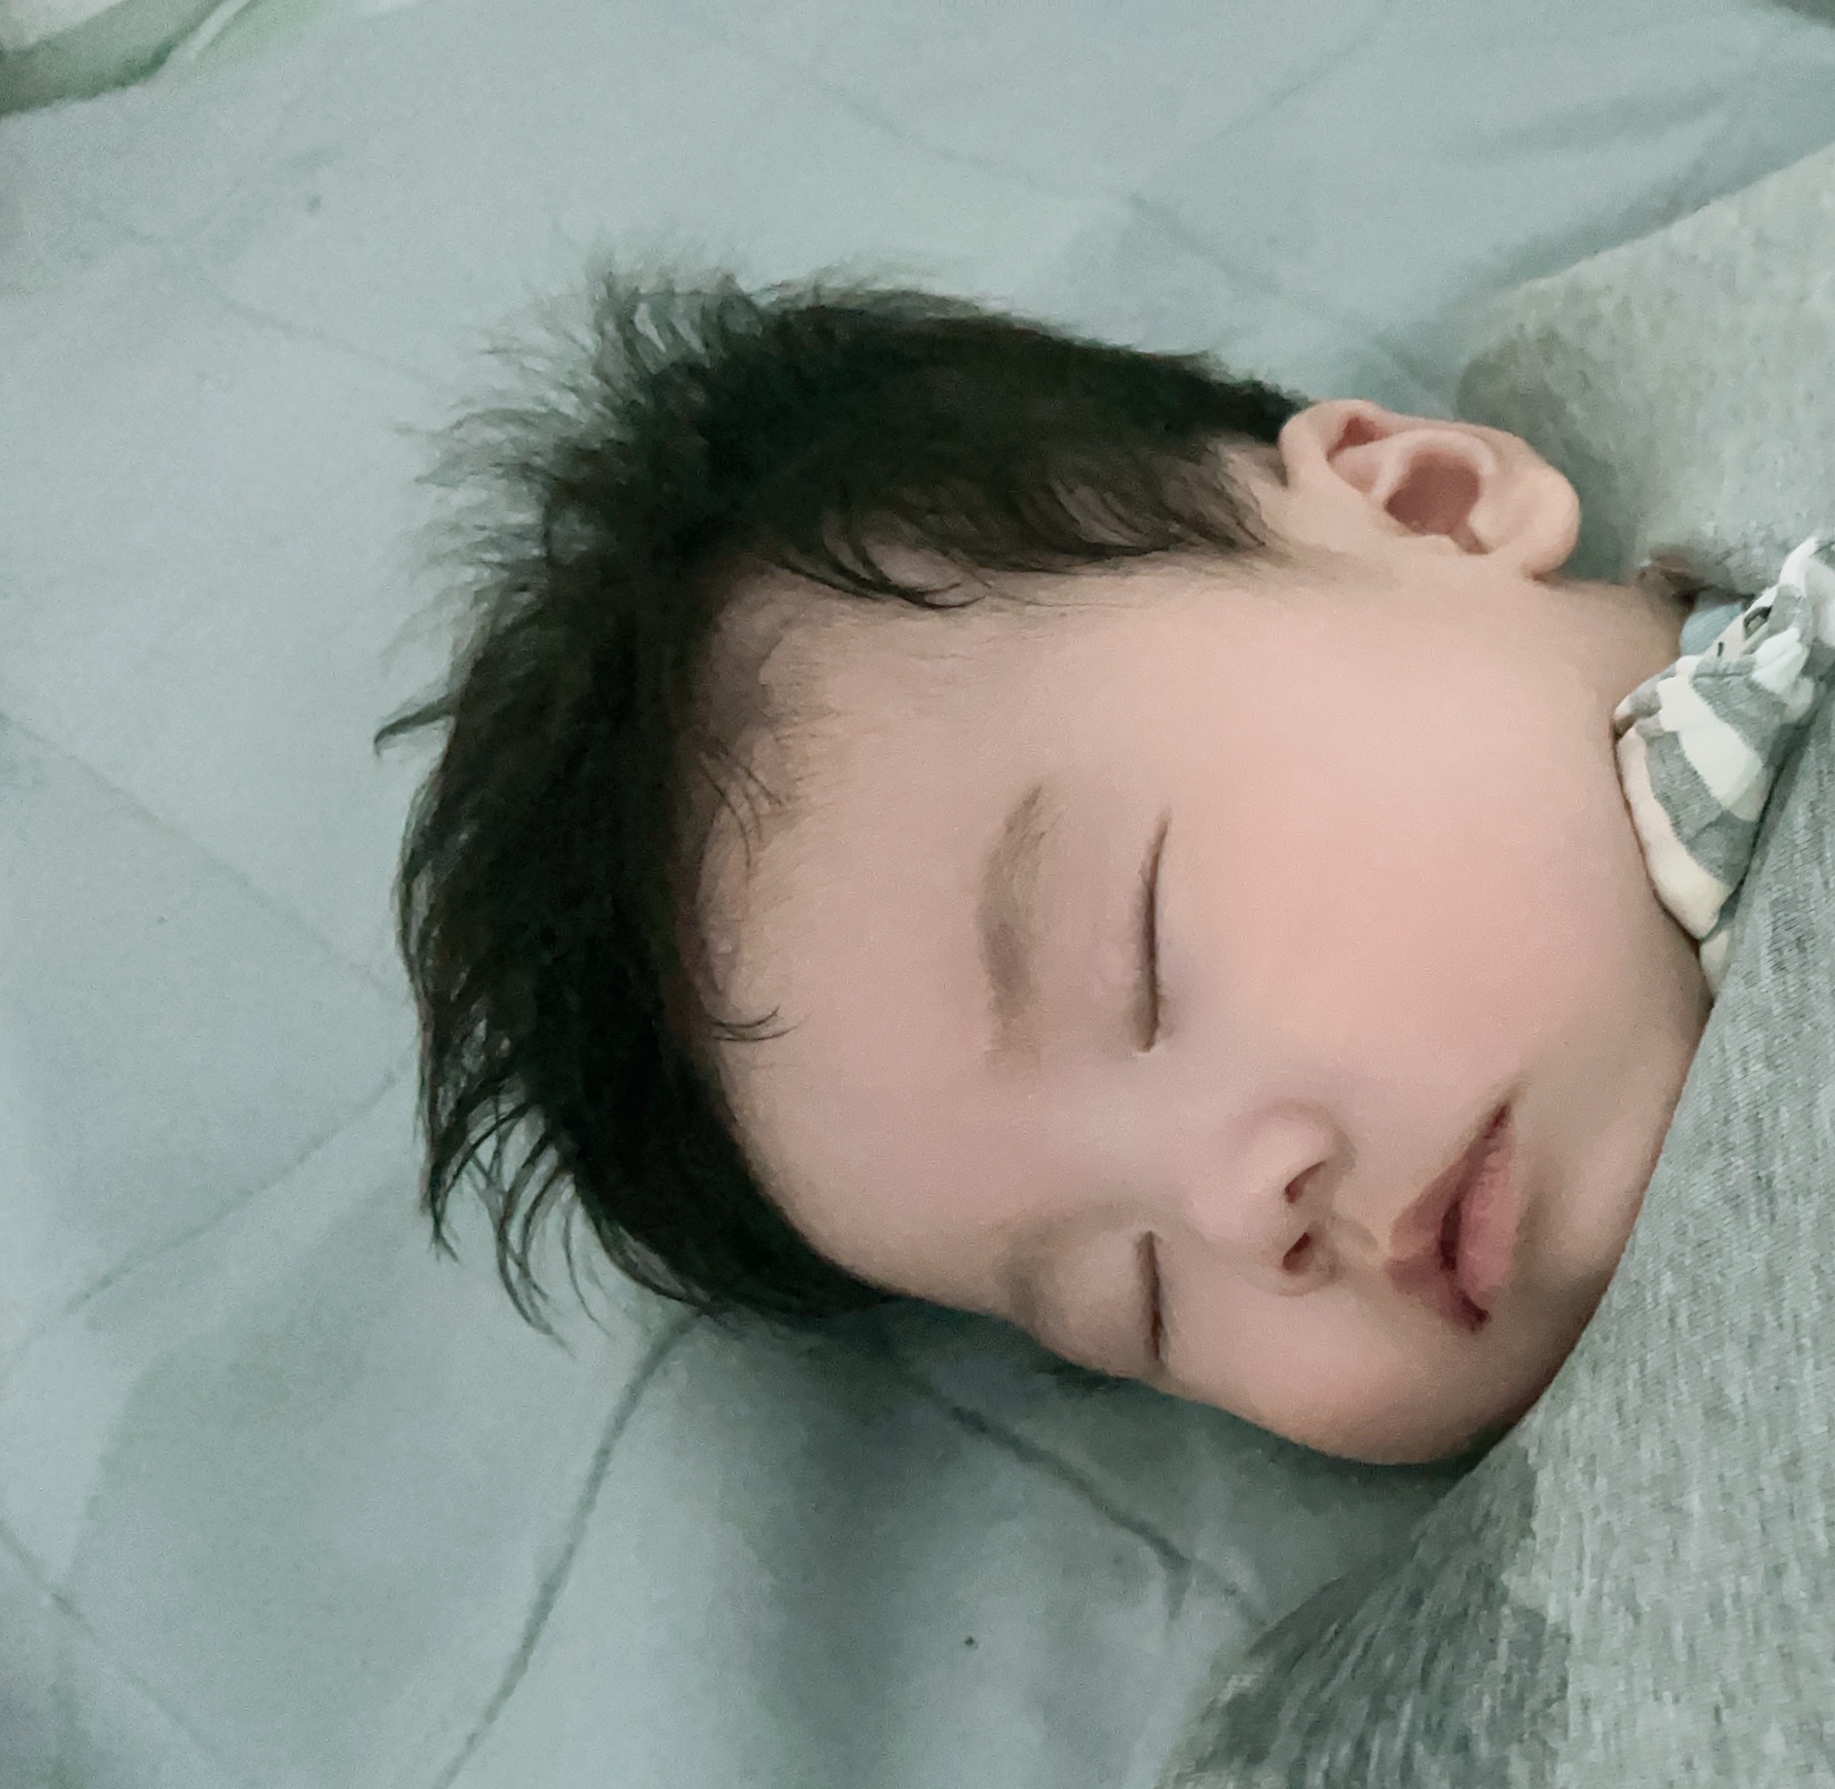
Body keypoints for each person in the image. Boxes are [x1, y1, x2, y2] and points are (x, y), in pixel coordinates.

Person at [386, 271, 1734, 1467]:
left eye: (1143, 961)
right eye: (1139, 1305)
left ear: (1428, 505)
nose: (1239, 1213)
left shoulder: (1741, 355)